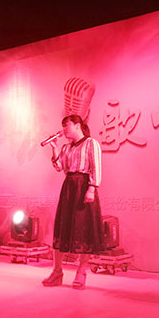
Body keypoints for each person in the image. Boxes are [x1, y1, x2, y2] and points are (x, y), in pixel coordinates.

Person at [42, 114, 103, 289]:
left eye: (66, 125)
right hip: (69, 188)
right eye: (62, 126)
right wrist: (54, 148)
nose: (63, 129)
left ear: (77, 125)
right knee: (62, 228)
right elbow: (59, 167)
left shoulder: (91, 143)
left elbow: (96, 167)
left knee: (83, 230)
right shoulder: (66, 147)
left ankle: (81, 271)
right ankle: (57, 272)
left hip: (84, 187)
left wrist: (92, 188)